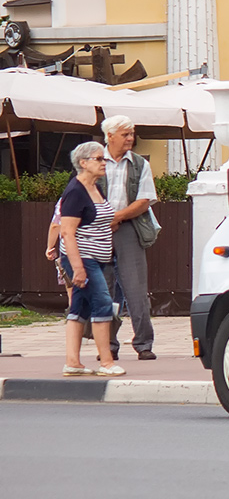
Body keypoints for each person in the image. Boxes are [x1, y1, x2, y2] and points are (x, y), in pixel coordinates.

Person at [57, 141, 126, 377]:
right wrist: (78, 268)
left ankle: (72, 362)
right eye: (99, 159)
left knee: (79, 308)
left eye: (104, 159)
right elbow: (67, 231)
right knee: (103, 303)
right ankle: (106, 362)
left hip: (97, 257)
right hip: (82, 258)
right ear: (83, 163)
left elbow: (100, 218)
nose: (103, 163)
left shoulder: (95, 187)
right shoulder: (75, 192)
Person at [98, 115, 159, 361]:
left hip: (128, 228)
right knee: (104, 290)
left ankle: (144, 344)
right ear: (110, 136)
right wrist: (103, 219)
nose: (131, 138)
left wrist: (118, 217)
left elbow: (144, 201)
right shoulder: (93, 160)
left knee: (136, 289)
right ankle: (108, 346)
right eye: (125, 134)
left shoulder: (139, 164)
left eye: (132, 134)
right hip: (99, 231)